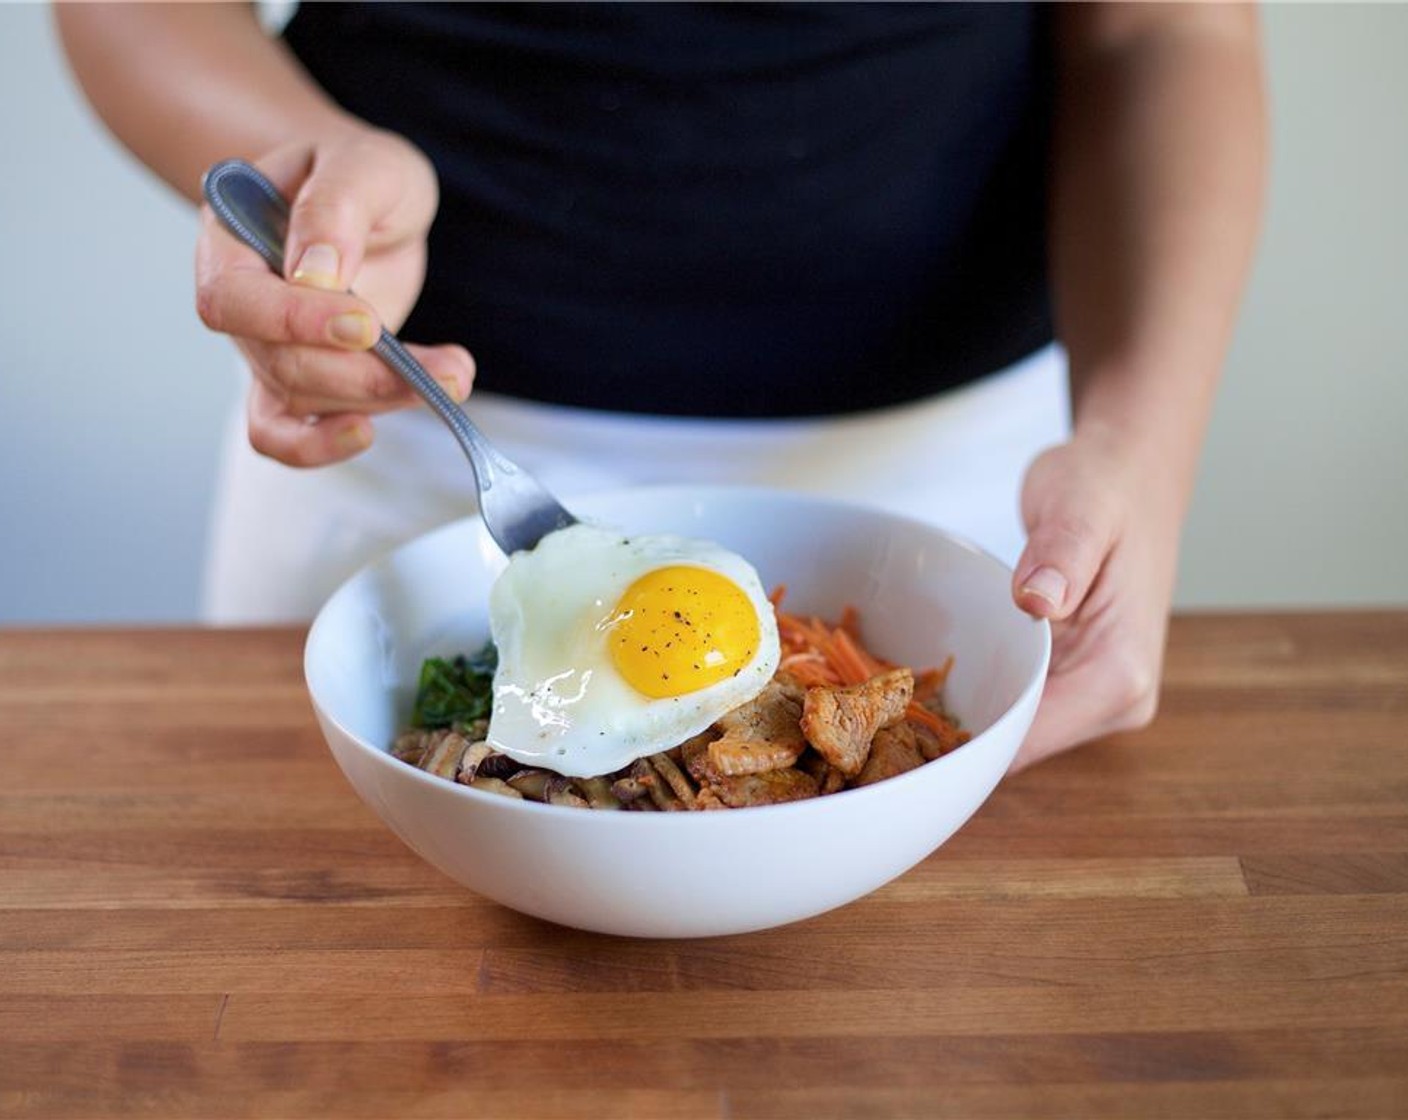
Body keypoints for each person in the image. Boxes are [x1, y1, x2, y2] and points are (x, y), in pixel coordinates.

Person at [55, 2, 1267, 771]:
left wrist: (1140, 451)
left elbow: (1162, 28)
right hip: (405, 435)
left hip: (961, 497)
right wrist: (309, 170)